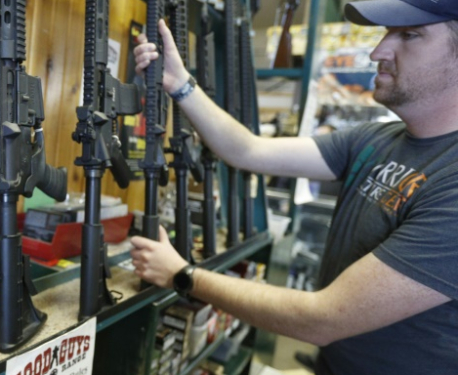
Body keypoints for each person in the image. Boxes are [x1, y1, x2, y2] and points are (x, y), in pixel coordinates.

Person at [130, 1, 458, 374]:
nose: (377, 51)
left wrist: (182, 275)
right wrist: (180, 83)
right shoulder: (377, 139)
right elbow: (248, 149)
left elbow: (322, 319)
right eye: (386, 33)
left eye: (410, 34)